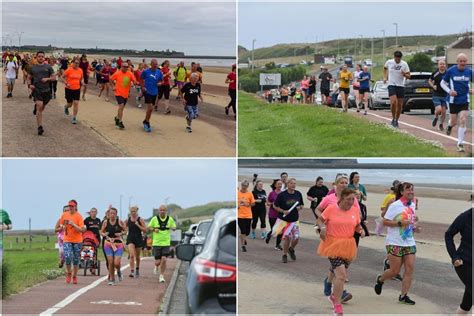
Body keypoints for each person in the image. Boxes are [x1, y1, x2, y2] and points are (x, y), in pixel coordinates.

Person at [318, 188, 365, 316]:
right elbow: (320, 220)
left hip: (348, 245)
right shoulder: (331, 208)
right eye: (348, 199)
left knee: (340, 273)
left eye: (353, 199)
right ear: (341, 198)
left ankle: (334, 296)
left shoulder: (355, 210)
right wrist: (322, 228)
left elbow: (357, 225)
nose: (351, 202)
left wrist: (361, 231)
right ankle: (337, 305)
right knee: (342, 275)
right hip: (332, 244)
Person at [374, 182, 420, 305]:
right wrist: (400, 223)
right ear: (401, 192)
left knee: (410, 268)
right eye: (408, 189)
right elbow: (385, 222)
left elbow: (410, 221)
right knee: (394, 271)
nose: (411, 191)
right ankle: (381, 279)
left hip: (409, 241)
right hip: (394, 242)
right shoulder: (395, 205)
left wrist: (415, 227)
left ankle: (403, 296)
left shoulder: (413, 205)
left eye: (412, 189)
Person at [316, 174, 356, 302]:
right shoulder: (329, 198)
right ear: (336, 184)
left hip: (348, 236)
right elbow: (318, 211)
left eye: (346, 182)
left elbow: (356, 213)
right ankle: (340, 293)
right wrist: (323, 226)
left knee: (342, 264)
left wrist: (360, 228)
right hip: (331, 236)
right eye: (342, 182)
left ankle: (328, 281)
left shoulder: (351, 198)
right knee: (340, 270)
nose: (344, 184)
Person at [441, 53, 473, 152]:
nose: (463, 63)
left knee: (463, 120)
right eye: (461, 61)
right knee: (454, 122)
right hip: (453, 100)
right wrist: (449, 91)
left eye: (465, 61)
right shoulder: (451, 71)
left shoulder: (469, 71)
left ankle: (460, 143)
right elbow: (442, 83)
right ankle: (450, 126)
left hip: (464, 100)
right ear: (457, 62)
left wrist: (472, 89)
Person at [445, 208, 472, 314]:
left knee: (466, 304)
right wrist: (454, 256)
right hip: (464, 262)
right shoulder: (466, 217)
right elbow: (448, 234)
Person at [272, 178, 304, 263]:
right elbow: (275, 206)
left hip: (294, 220)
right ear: (287, 184)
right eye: (292, 183)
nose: (293, 185)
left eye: (295, 183)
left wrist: (300, 207)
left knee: (296, 238)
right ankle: (284, 255)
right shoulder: (282, 195)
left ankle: (291, 249)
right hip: (284, 221)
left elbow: (301, 205)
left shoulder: (298, 194)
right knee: (287, 237)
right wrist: (283, 211)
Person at [55, 200, 86, 284]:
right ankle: (69, 273)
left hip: (77, 240)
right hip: (67, 240)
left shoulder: (79, 216)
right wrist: (62, 227)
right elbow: (59, 226)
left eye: (72, 206)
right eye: (69, 206)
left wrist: (73, 224)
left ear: (75, 207)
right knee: (68, 257)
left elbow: (82, 230)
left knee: (76, 260)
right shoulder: (64, 215)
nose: (70, 208)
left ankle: (74, 276)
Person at [28, 51, 56, 135]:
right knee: (40, 106)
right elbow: (29, 78)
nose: (41, 58)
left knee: (42, 108)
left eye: (42, 56)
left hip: (46, 91)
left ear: (44, 57)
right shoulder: (32, 68)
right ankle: (40, 127)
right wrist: (30, 85)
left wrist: (47, 79)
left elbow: (54, 77)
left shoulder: (48, 67)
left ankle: (36, 108)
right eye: (39, 56)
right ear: (36, 57)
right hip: (37, 90)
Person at [147, 205, 177, 283]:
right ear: (158, 211)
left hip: (166, 243)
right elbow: (149, 227)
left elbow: (174, 227)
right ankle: (156, 266)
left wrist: (173, 228)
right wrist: (154, 229)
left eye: (164, 210)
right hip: (157, 243)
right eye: (161, 210)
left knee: (164, 259)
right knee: (157, 262)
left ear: (166, 211)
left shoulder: (170, 219)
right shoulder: (154, 219)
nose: (162, 211)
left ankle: (161, 276)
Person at [384, 51, 411, 128]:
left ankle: (396, 120)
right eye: (396, 58)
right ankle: (393, 118)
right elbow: (385, 68)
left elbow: (409, 76)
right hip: (391, 84)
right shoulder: (389, 62)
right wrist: (385, 77)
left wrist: (404, 74)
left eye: (399, 59)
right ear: (394, 57)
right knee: (393, 102)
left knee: (399, 105)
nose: (397, 60)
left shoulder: (404, 64)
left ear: (401, 58)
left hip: (400, 85)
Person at [100, 207, 126, 285]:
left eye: (114, 213)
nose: (112, 215)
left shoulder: (120, 222)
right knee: (110, 262)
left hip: (118, 244)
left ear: (116, 214)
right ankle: (112, 279)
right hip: (108, 243)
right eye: (111, 213)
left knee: (116, 263)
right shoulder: (105, 222)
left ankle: (118, 271)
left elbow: (125, 230)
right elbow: (101, 231)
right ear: (108, 214)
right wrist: (105, 235)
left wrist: (121, 233)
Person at [110, 61, 138, 130]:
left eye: (127, 67)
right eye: (124, 67)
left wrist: (135, 83)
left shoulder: (130, 73)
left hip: (125, 94)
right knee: (121, 106)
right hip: (118, 93)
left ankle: (117, 118)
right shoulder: (117, 73)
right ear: (121, 67)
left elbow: (134, 80)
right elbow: (110, 79)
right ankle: (120, 122)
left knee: (121, 108)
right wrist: (113, 86)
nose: (125, 68)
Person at [140, 59, 163, 132]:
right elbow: (141, 79)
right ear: (151, 64)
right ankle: (147, 123)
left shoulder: (159, 72)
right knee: (150, 108)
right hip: (147, 91)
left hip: (154, 92)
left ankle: (146, 121)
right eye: (154, 64)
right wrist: (143, 87)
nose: (156, 65)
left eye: (156, 64)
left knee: (150, 110)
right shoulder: (146, 71)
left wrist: (160, 83)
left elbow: (161, 81)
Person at [348, 172, 369, 246]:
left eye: (358, 177)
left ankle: (360, 233)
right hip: (350, 206)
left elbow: (365, 198)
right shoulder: (349, 186)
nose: (358, 178)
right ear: (352, 178)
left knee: (359, 220)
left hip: (359, 206)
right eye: (356, 177)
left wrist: (361, 194)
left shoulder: (362, 187)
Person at [61, 57, 84, 124]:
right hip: (69, 89)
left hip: (77, 89)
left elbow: (82, 78)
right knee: (70, 104)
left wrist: (82, 82)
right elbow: (62, 77)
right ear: (73, 63)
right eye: (75, 63)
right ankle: (66, 107)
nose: (77, 64)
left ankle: (74, 118)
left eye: (78, 63)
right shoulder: (69, 70)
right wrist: (66, 83)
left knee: (76, 103)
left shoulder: (80, 70)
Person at [126, 206, 147, 278]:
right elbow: (123, 229)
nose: (133, 213)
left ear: (137, 211)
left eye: (134, 211)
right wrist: (122, 232)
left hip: (138, 238)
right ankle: (132, 271)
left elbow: (145, 230)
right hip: (130, 238)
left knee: (137, 257)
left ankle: (137, 268)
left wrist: (138, 225)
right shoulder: (127, 220)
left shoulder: (140, 220)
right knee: (132, 255)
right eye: (131, 211)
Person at [429, 59, 448, 131]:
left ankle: (441, 124)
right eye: (441, 64)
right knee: (439, 109)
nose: (442, 65)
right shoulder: (435, 73)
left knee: (443, 112)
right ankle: (436, 117)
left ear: (445, 65)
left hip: (445, 95)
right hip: (436, 94)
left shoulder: (447, 73)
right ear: (438, 65)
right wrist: (433, 86)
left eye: (443, 64)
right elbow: (430, 80)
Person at [265, 179, 283, 250]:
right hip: (272, 214)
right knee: (274, 229)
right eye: (278, 184)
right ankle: (269, 235)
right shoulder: (271, 193)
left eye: (281, 184)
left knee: (280, 230)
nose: (280, 185)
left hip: (281, 215)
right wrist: (273, 204)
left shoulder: (283, 193)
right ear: (275, 185)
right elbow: (267, 203)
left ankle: (277, 245)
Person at [238, 180, 255, 252]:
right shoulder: (237, 193)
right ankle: (243, 246)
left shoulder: (250, 194)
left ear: (247, 186)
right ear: (241, 185)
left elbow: (253, 204)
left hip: (248, 215)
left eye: (246, 185)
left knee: (247, 231)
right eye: (243, 185)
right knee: (243, 230)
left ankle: (243, 237)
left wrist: (248, 205)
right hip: (239, 215)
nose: (244, 187)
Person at [83, 207, 102, 275]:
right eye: (92, 212)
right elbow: (83, 227)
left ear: (96, 213)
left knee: (94, 252)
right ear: (90, 213)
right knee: (86, 250)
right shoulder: (87, 220)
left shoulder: (98, 220)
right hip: (88, 238)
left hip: (96, 239)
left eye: (95, 212)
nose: (93, 213)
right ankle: (85, 262)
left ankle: (93, 266)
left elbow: (100, 230)